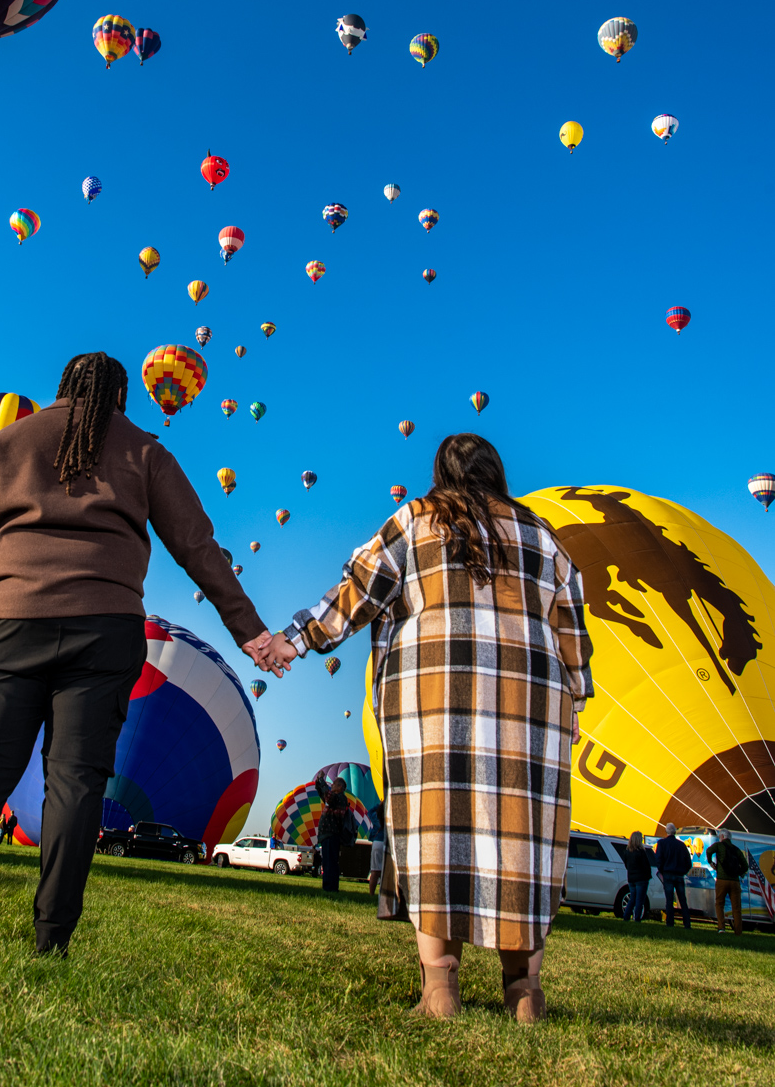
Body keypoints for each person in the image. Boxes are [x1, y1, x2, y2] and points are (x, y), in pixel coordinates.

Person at [0, 351, 273, 955]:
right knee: (76, 784)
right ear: (121, 396)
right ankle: (51, 942)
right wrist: (250, 631)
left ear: (61, 386)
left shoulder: (6, 444)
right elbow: (197, 546)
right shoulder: (145, 451)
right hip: (105, 630)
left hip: (10, 625)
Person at [263, 433, 592, 1023]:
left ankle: (440, 990)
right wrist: (574, 702)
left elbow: (353, 594)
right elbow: (574, 641)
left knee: (434, 834)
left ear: (440, 472)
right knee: (523, 843)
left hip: (434, 706)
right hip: (530, 711)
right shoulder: (545, 538)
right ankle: (524, 993)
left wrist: (293, 639)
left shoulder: (415, 521)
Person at [313, 772, 356, 893]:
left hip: (332, 834)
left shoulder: (340, 798)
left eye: (335, 783)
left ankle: (329, 887)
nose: (332, 785)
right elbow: (324, 795)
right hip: (328, 835)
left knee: (330, 862)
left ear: (341, 787)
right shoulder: (335, 799)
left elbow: (327, 795)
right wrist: (318, 782)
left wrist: (322, 780)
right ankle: (330, 886)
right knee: (327, 861)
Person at [707, 829, 747, 935]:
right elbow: (745, 866)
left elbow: (709, 851)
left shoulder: (719, 846)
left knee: (720, 904)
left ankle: (721, 928)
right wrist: (738, 872)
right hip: (734, 882)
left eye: (720, 836)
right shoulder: (736, 849)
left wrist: (711, 862)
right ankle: (738, 931)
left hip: (722, 880)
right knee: (736, 908)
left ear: (722, 836)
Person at [654, 824, 693, 929]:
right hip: (679, 875)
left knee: (669, 900)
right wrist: (683, 871)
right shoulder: (681, 845)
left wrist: (662, 871)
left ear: (666, 831)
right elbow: (688, 863)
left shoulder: (661, 843)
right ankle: (687, 923)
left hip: (668, 874)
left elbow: (658, 859)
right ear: (675, 832)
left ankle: (670, 922)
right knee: (683, 901)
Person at [622, 832, 652, 923]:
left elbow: (626, 865)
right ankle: (637, 918)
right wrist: (648, 876)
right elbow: (646, 866)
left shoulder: (627, 852)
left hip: (631, 879)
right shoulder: (641, 852)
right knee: (640, 900)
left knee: (632, 898)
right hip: (641, 879)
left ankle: (626, 916)